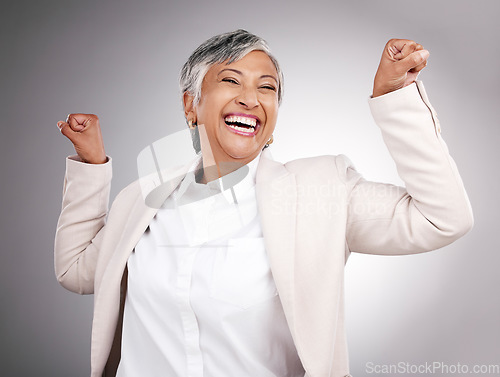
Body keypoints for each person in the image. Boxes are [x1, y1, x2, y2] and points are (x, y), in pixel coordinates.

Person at [54, 29, 473, 377]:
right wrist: (91, 166)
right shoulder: (144, 199)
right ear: (191, 105)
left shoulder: (319, 191)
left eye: (266, 88)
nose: (250, 99)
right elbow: (76, 271)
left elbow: (442, 218)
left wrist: (394, 98)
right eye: (231, 81)